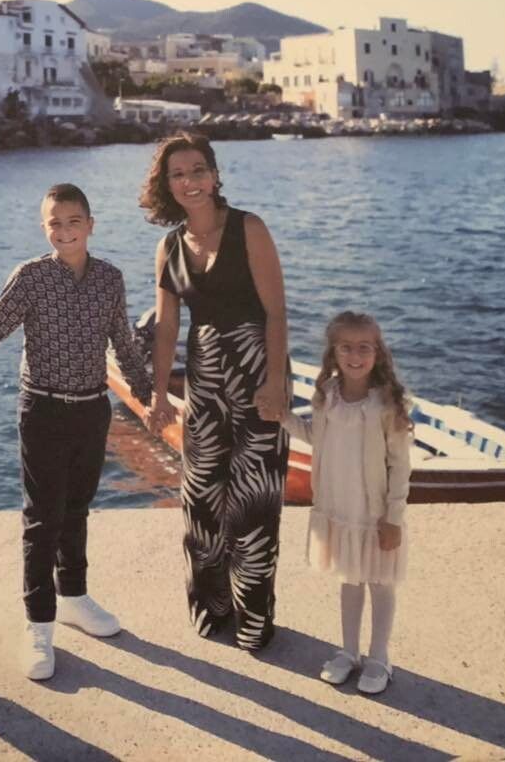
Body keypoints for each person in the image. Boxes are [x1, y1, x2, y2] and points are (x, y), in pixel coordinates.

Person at [0, 184, 153, 681]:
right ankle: (38, 623)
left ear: (90, 225)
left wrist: (148, 398)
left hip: (92, 410)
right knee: (42, 519)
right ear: (44, 228)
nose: (65, 231)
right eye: (55, 223)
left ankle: (73, 596)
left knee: (76, 510)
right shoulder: (31, 278)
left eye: (74, 221)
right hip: (43, 410)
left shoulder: (110, 279)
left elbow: (123, 343)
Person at [142, 132, 290, 651]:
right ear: (167, 185)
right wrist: (160, 394)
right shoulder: (169, 246)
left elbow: (276, 313)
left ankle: (254, 618)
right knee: (202, 500)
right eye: (178, 174)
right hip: (205, 382)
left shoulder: (249, 228)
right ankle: (212, 606)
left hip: (256, 374)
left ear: (215, 175)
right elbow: (166, 329)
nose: (190, 182)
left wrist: (276, 382)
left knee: (254, 501)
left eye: (198, 170)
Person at [281, 311, 412, 695]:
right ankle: (349, 651)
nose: (355, 356)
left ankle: (379, 657)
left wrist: (394, 517)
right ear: (333, 353)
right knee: (349, 579)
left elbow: (400, 465)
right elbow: (316, 437)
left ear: (378, 352)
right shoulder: (327, 396)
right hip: (340, 508)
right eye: (346, 348)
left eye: (364, 348)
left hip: (375, 513)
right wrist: (282, 418)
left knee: (380, 582)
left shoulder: (386, 404)